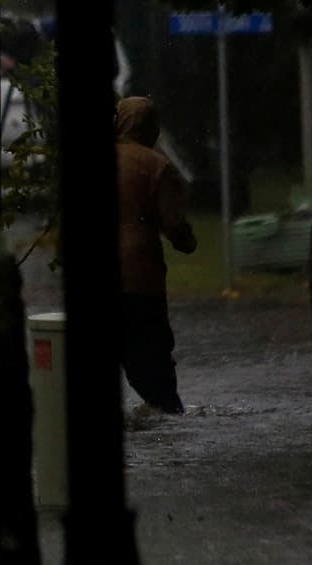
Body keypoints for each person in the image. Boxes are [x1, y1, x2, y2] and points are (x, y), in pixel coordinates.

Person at [114, 96, 198, 414]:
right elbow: (173, 224)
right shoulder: (157, 165)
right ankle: (169, 420)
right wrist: (187, 240)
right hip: (139, 280)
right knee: (152, 364)